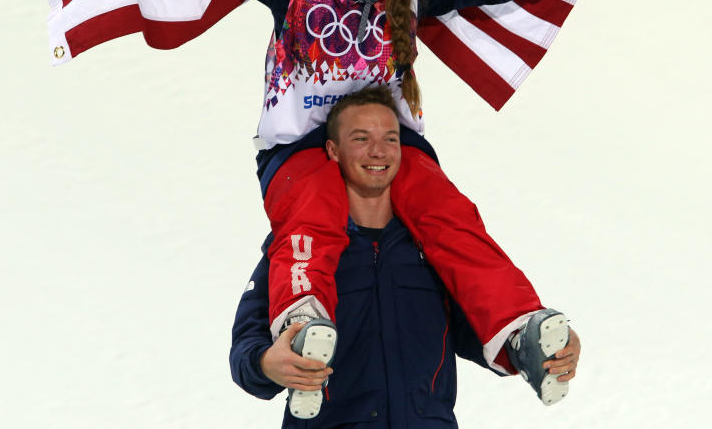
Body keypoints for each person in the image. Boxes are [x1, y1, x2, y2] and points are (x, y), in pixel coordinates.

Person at [107, 0, 606, 417]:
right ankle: (302, 328)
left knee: (449, 216)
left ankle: (516, 326)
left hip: (387, 142)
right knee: (314, 209)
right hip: (299, 147)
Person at [229, 88, 582, 425]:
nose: (378, 151)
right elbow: (245, 350)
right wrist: (265, 364)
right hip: (329, 425)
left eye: (391, 138)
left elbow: (479, 324)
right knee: (299, 325)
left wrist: (543, 349)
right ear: (333, 150)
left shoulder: (432, 248)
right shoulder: (298, 245)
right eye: (361, 138)